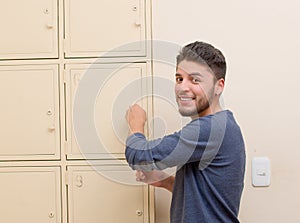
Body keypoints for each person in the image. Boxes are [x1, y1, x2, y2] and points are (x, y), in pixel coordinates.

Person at [125, 41, 245, 223]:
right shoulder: (223, 125)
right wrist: (165, 181)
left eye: (195, 80)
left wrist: (136, 124)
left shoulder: (210, 129)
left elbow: (139, 155)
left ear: (219, 86)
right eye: (179, 79)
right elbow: (209, 197)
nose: (182, 87)